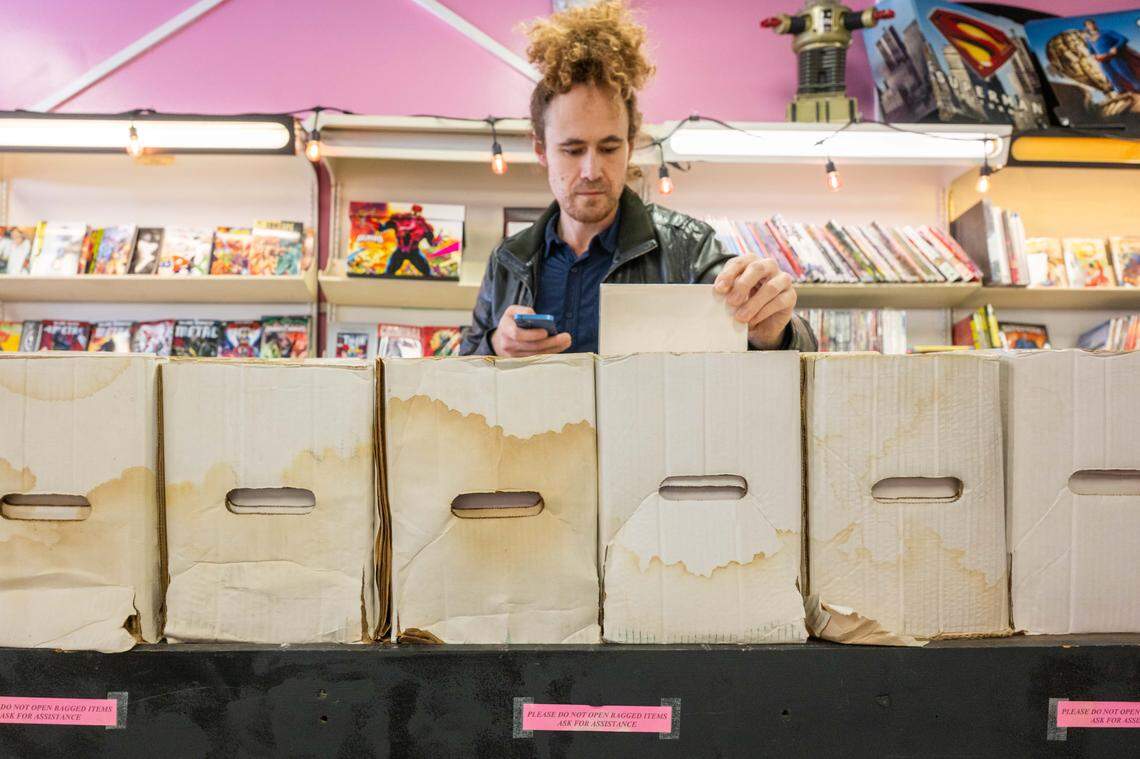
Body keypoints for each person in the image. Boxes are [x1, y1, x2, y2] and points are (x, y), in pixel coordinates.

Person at [460, 0, 816, 356]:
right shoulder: (508, 259)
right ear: (541, 150)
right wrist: (495, 344)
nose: (592, 170)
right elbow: (463, 371)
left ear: (630, 143)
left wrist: (775, 331)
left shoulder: (687, 248)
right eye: (572, 149)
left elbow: (791, 350)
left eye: (610, 147)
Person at [1083, 18, 1140, 94]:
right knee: (1110, 76)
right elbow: (1091, 50)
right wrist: (1094, 56)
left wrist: (1116, 47)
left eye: (1092, 23)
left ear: (1095, 24)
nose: (1091, 26)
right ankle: (1121, 91)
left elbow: (1123, 39)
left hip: (1113, 56)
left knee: (1124, 72)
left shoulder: (1106, 32)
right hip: (1102, 60)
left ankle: (1138, 87)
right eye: (1088, 25)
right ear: (1086, 27)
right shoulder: (1088, 39)